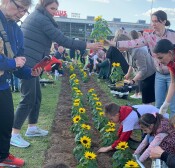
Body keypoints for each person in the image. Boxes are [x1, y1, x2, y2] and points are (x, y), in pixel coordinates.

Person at [11, 0, 103, 148]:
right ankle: (13, 134)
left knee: (36, 97)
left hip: (35, 62)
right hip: (28, 62)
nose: (54, 11)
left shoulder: (41, 16)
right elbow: (62, 40)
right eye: (52, 8)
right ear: (43, 6)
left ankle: (32, 128)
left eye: (56, 8)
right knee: (28, 98)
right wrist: (88, 45)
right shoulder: (41, 18)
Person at [106, 10, 175, 117]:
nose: (153, 24)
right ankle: (157, 129)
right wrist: (115, 43)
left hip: (174, 73)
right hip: (159, 75)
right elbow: (133, 43)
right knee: (157, 105)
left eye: (156, 21)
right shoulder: (149, 37)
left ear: (164, 21)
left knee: (174, 107)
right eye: (152, 21)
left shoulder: (174, 36)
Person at [0, 0, 42, 166]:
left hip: (3, 84)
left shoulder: (16, 30)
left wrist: (31, 72)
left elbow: (19, 64)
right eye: (19, 7)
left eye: (25, 10)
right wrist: (12, 63)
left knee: (6, 121)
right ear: (5, 1)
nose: (21, 13)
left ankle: (2, 156)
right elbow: (14, 62)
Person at [124, 30, 156, 104]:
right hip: (142, 75)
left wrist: (133, 80)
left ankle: (151, 113)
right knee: (145, 100)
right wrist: (128, 74)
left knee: (147, 100)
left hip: (150, 75)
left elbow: (143, 70)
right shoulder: (127, 51)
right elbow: (131, 64)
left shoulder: (138, 51)